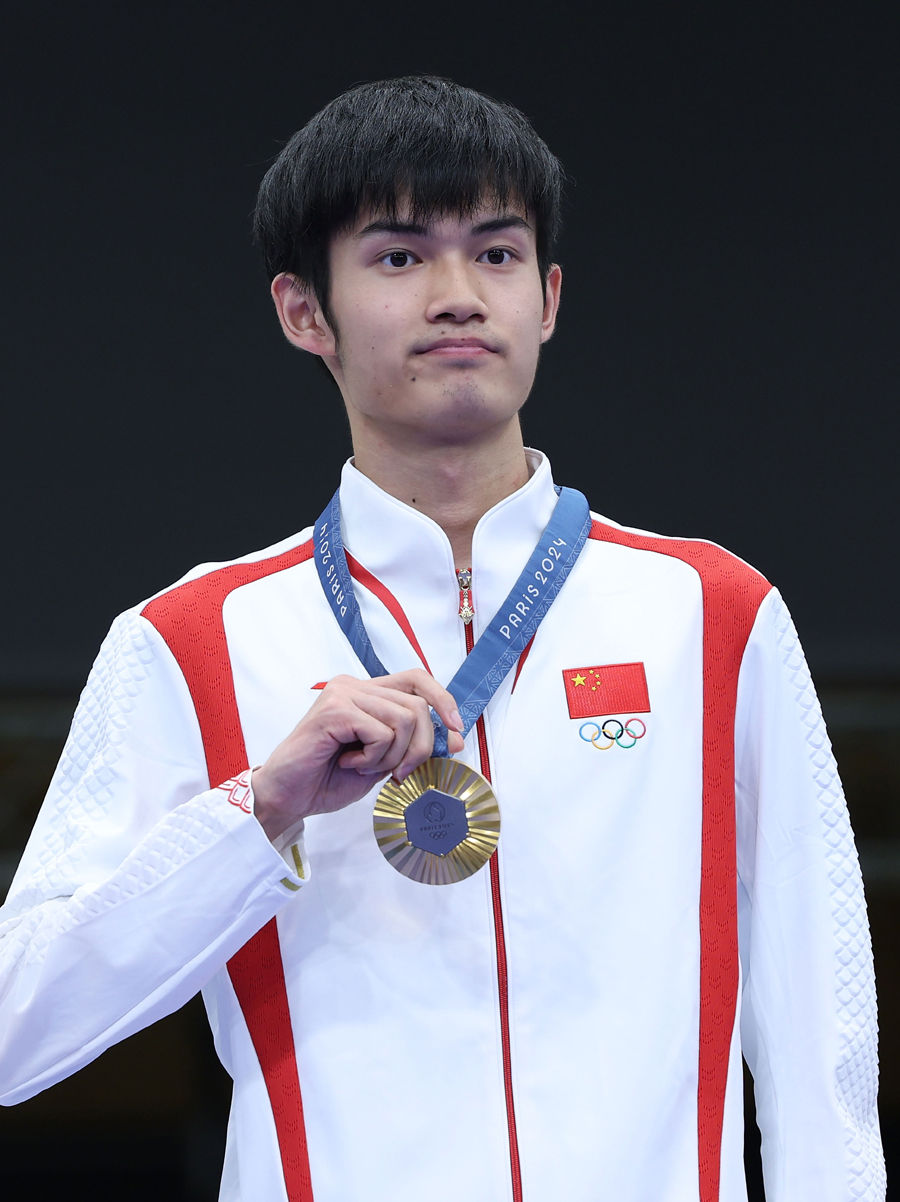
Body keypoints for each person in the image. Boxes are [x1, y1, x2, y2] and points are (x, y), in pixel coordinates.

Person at [0, 76, 884, 1202]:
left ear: (549, 298)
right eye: (400, 256)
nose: (459, 296)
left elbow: (821, 1033)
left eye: (498, 253)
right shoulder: (192, 640)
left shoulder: (712, 614)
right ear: (303, 311)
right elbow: (17, 1027)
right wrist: (255, 812)